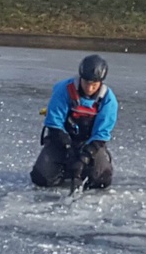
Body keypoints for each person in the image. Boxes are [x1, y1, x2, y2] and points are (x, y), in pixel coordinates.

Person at [30, 55, 118, 191]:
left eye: (94, 84)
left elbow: (101, 134)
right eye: (86, 83)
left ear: (100, 82)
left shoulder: (108, 100)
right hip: (61, 140)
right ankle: (63, 170)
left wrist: (83, 159)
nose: (89, 88)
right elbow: (54, 123)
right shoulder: (64, 90)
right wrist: (69, 152)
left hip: (89, 144)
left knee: (102, 180)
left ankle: (86, 171)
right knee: (41, 178)